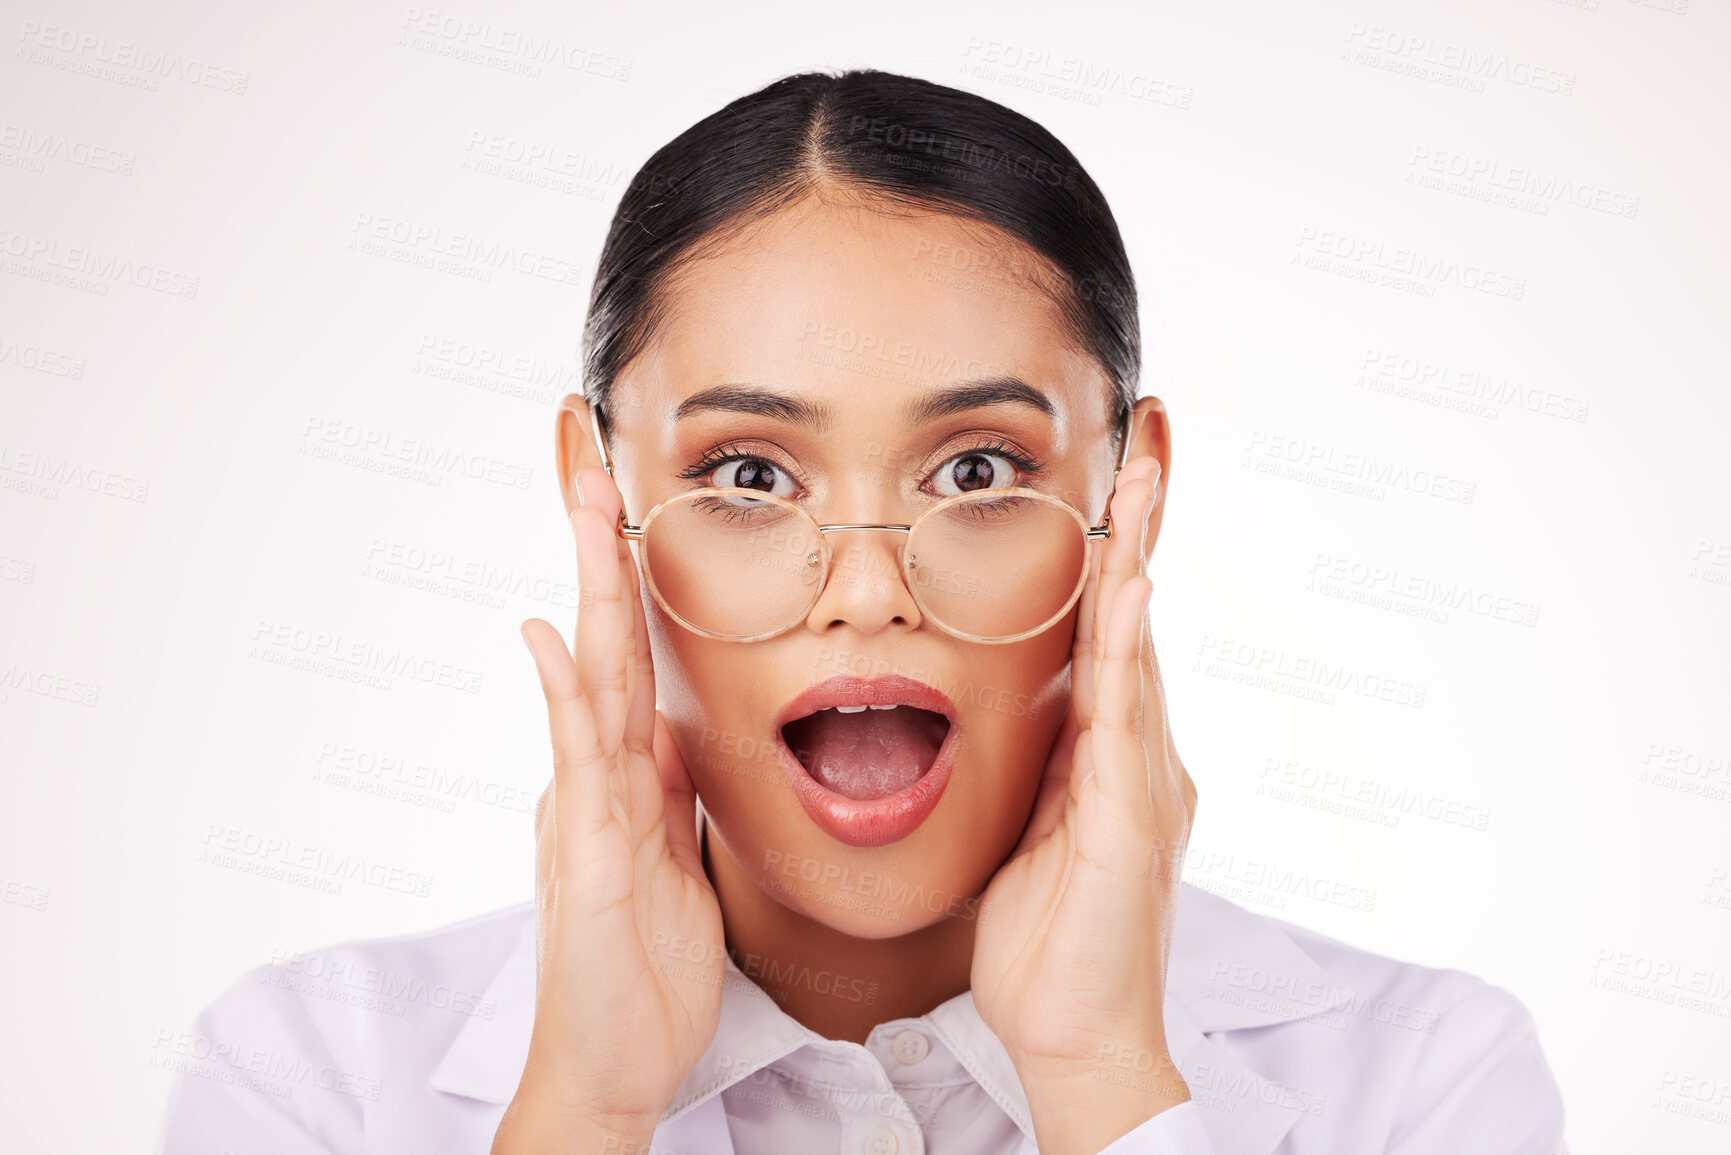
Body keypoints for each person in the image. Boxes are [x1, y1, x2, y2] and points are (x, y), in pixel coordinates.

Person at [158, 69, 1569, 1154]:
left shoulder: (1424, 1079)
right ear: (601, 497)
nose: (871, 589)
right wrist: (584, 1112)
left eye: (977, 469)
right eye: (751, 474)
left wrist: (1105, 1085)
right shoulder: (312, 1074)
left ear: (1129, 492)